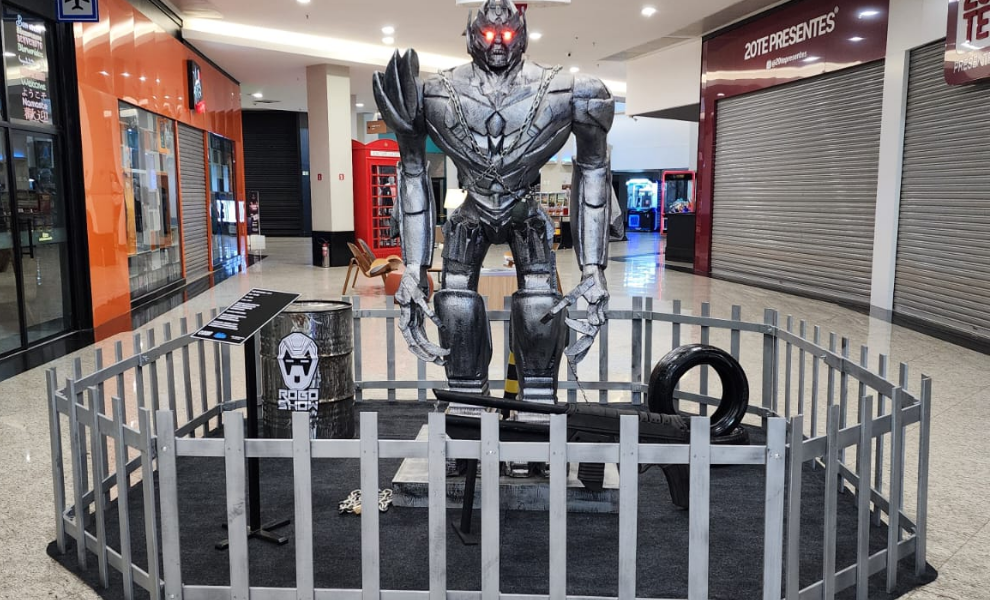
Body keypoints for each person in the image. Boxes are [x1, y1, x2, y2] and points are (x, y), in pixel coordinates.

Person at [374, 0, 618, 403]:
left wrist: (593, 267)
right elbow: (413, 171)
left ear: (522, 34)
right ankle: (467, 403)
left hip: (525, 210)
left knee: (540, 305)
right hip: (471, 212)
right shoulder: (433, 93)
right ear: (473, 36)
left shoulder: (571, 91)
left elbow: (594, 168)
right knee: (455, 304)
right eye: (489, 34)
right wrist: (414, 268)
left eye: (505, 33)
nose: (498, 42)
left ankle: (537, 402)